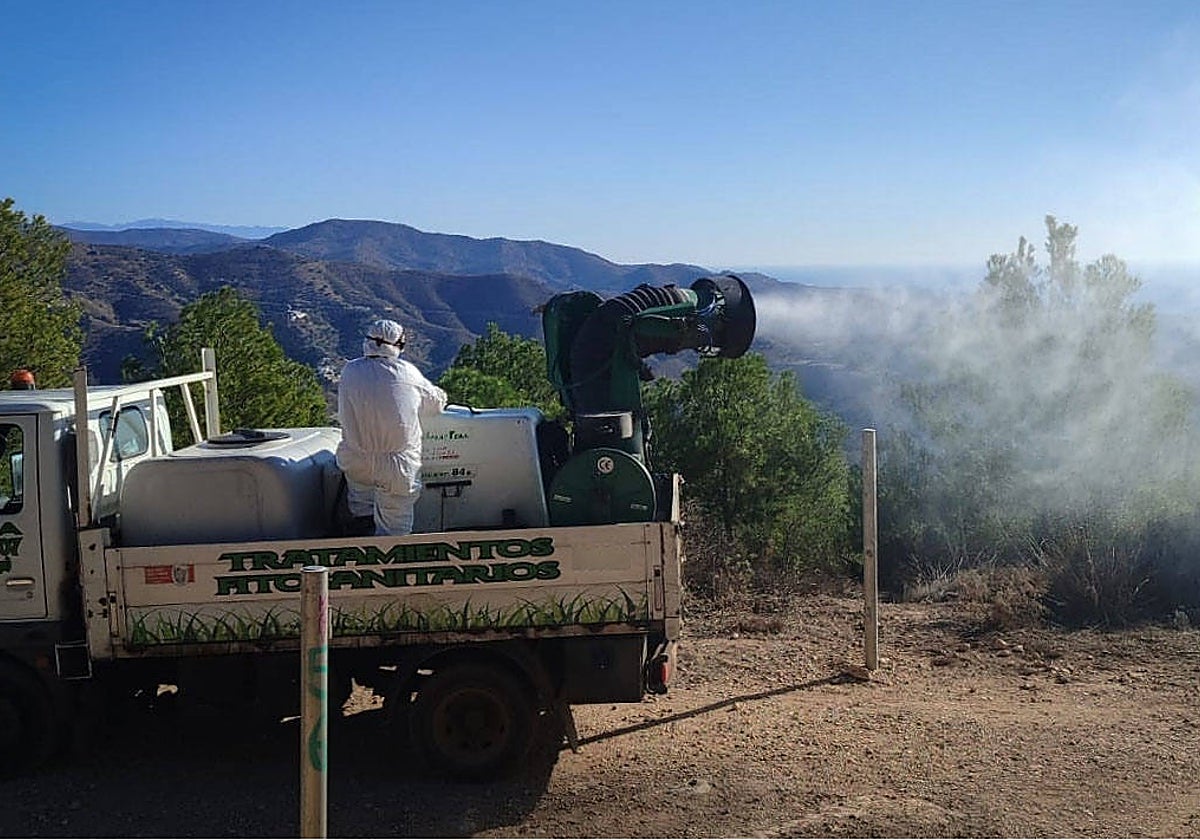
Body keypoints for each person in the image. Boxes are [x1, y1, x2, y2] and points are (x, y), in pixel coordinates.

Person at [336, 319, 447, 536]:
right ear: (397, 346)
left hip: (356, 459)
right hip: (397, 465)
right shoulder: (407, 373)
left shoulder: (349, 371)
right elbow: (435, 404)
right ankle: (389, 567)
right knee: (394, 529)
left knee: (362, 515)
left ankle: (360, 560)